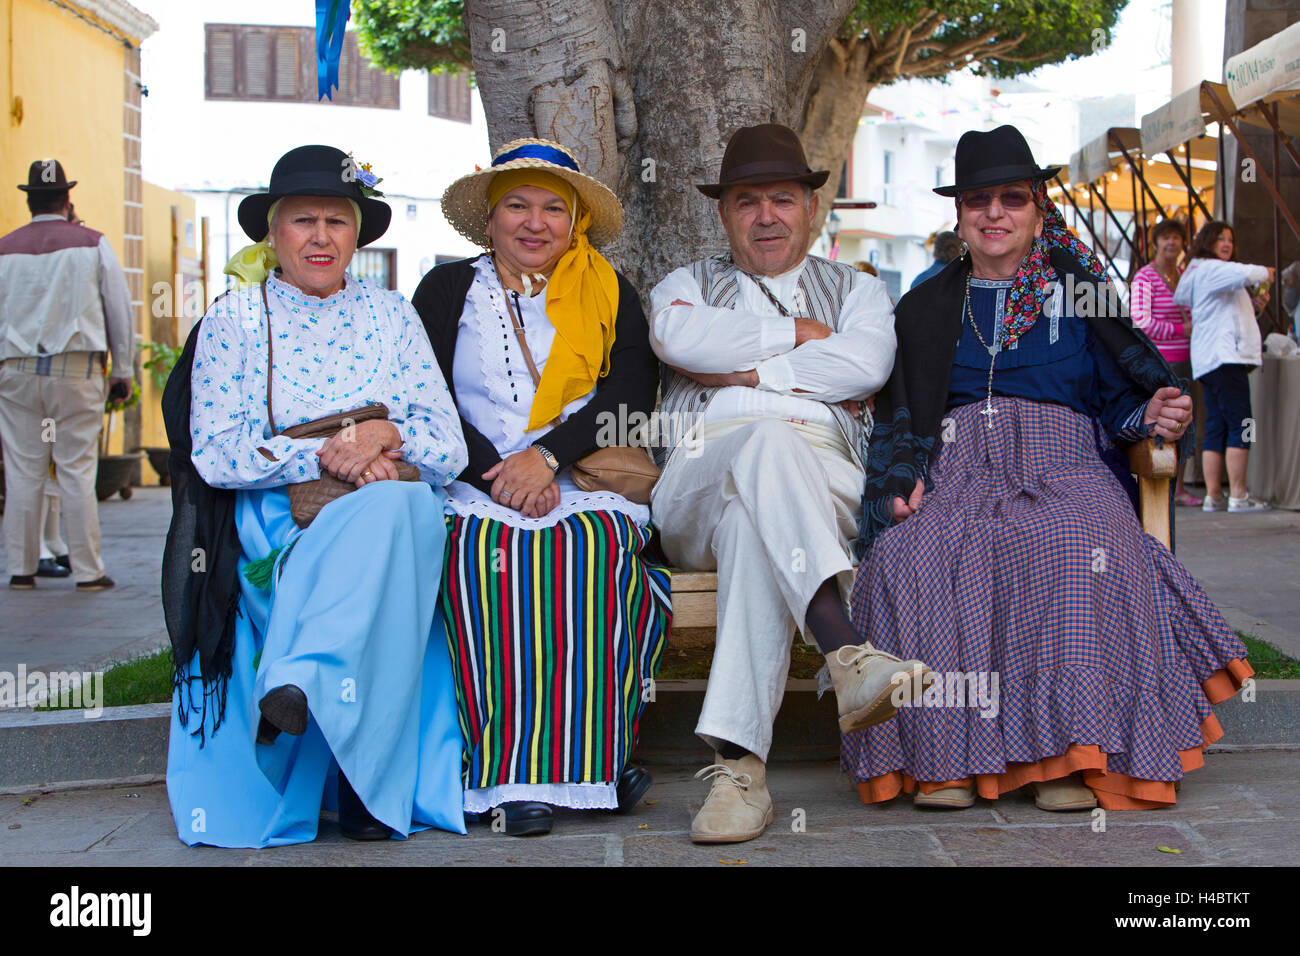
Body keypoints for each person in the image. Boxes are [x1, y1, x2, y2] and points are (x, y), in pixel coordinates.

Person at [842, 125, 1252, 813]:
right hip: (958, 467)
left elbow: (1121, 400)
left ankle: (1067, 756)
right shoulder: (925, 304)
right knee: (913, 555)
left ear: (1036, 208)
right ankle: (945, 762)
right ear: (959, 214)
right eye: (978, 200)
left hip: (1066, 464)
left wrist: (1151, 416)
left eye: (1010, 198)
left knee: (1071, 545)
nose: (994, 213)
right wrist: (899, 478)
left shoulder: (1080, 293)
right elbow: (902, 413)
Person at [162, 145, 468, 847]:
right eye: (304, 220)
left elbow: (447, 447)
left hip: (389, 502)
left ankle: (301, 680)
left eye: (338, 219)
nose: (321, 236)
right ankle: (368, 792)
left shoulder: (394, 315)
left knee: (397, 508)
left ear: (357, 234)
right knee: (393, 522)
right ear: (273, 233)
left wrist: (381, 438)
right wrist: (331, 455)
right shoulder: (235, 320)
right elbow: (214, 451)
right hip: (286, 519)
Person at [648, 123, 927, 845]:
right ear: (723, 213)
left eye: (782, 199)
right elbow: (680, 340)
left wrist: (741, 373)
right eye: (747, 201)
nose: (766, 215)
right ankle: (844, 648)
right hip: (698, 479)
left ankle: (741, 773)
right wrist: (799, 338)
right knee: (759, 450)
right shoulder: (684, 286)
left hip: (823, 480)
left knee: (754, 522)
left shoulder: (859, 291)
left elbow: (864, 366)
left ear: (810, 209)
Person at [412, 138, 670, 837]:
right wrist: (499, 476)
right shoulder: (446, 289)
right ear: (490, 220)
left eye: (554, 208)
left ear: (575, 221)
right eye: (517, 206)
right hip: (474, 482)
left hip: (576, 477)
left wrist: (547, 460)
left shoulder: (609, 288)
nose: (535, 222)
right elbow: (423, 395)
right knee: (482, 564)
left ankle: (593, 767)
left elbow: (629, 391)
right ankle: (497, 779)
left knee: (589, 551)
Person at [0, 160, 133, 591]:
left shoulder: (5, 249)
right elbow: (118, 309)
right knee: (75, 469)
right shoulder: (93, 244)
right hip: (76, 373)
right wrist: (124, 370)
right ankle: (89, 572)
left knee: (24, 471)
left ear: (28, 201)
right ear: (67, 200)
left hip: (17, 374)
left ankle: (21, 570)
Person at [1174, 221, 1274, 514]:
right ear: (1207, 242)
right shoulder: (1213, 269)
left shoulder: (1199, 272)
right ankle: (1239, 494)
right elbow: (1250, 272)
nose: (1227, 244)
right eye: (1220, 239)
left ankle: (1214, 495)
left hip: (1209, 360)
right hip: (1226, 357)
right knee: (1243, 423)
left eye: (1230, 239)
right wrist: (1267, 273)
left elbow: (1225, 311)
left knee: (1217, 425)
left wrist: (1255, 307)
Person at [1129, 219, 1202, 507]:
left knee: (1185, 425)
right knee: (1163, 425)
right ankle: (1158, 487)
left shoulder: (1184, 275)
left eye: (1176, 238)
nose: (1171, 243)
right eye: (1166, 238)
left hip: (1189, 360)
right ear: (1155, 243)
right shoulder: (1145, 277)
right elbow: (1141, 321)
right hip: (1160, 362)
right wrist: (1178, 331)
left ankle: (1180, 486)